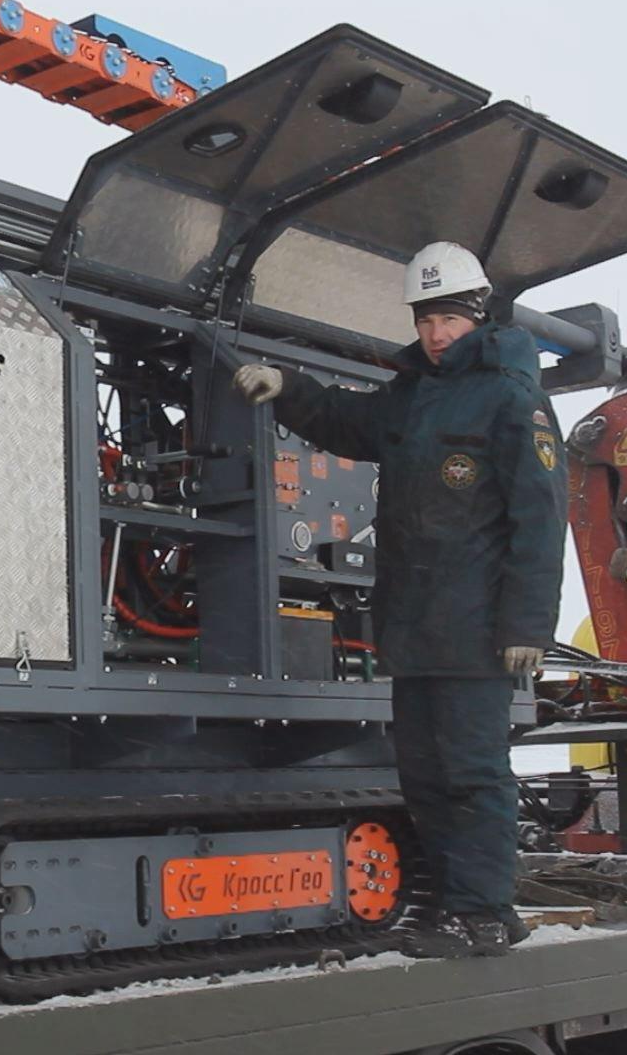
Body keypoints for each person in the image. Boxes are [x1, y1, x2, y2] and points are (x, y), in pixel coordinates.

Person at [232, 241, 567, 958]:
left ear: (477, 315)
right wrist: (287, 385)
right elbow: (350, 422)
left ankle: (485, 914)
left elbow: (540, 521)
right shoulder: (412, 394)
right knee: (425, 776)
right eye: (425, 320)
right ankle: (453, 905)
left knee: (473, 775)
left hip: (477, 630)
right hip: (416, 628)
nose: (437, 334)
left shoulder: (512, 396)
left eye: (449, 319)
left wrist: (527, 626)